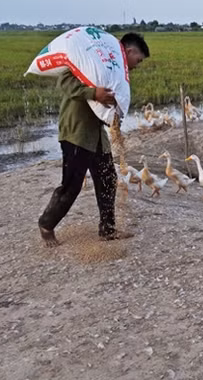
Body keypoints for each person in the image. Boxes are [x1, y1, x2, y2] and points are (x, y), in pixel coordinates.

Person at [38, 32, 150, 247]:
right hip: (77, 131)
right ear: (129, 51)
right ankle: (46, 224)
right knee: (72, 184)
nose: (137, 65)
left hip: (97, 134)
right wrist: (93, 93)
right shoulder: (91, 61)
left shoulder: (111, 70)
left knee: (107, 178)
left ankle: (107, 230)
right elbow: (64, 81)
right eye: (139, 60)